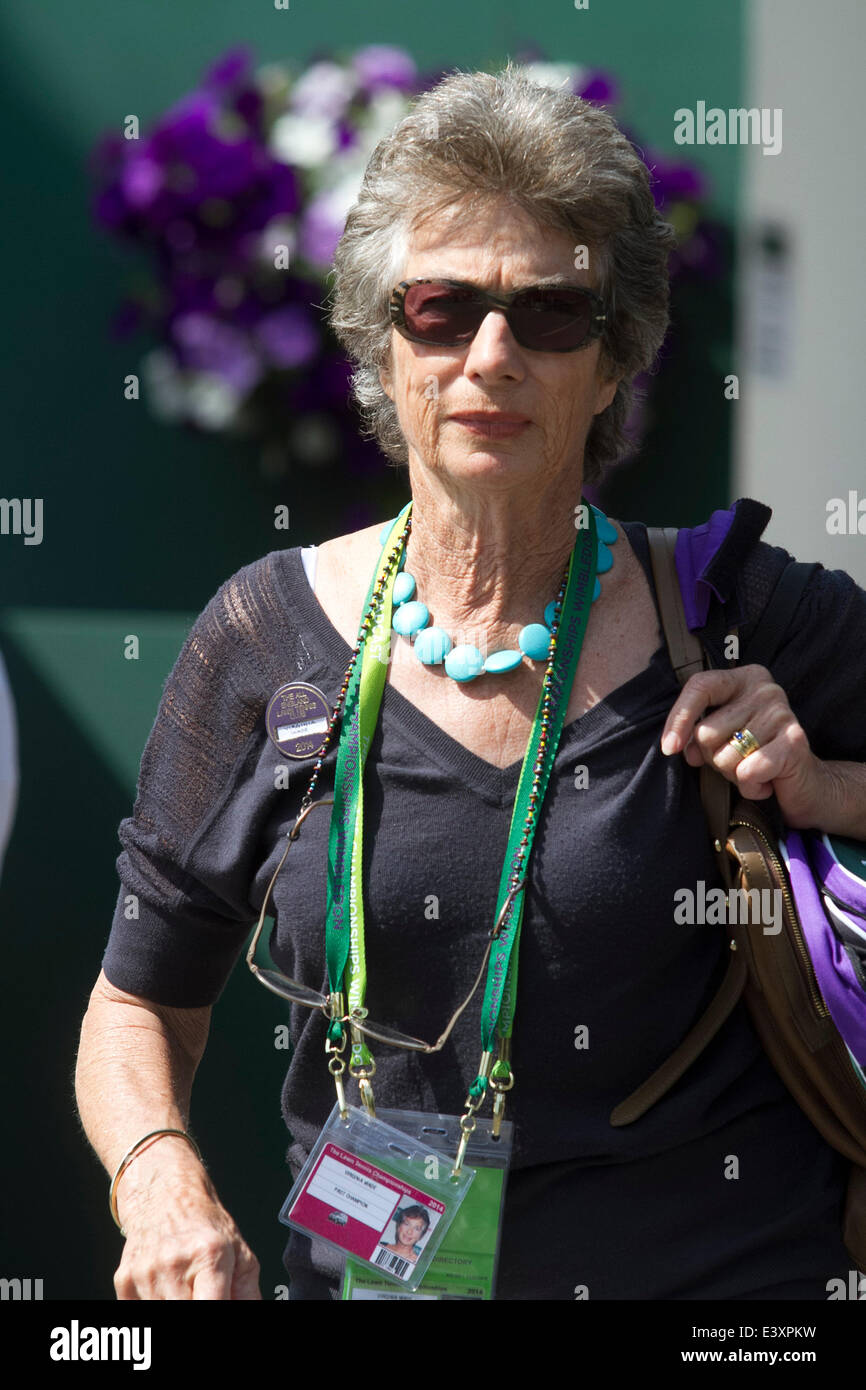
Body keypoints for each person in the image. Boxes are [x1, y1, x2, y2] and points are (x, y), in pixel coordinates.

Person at [75, 64, 866, 1301]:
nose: (489, 353)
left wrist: (822, 784)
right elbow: (135, 1004)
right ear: (382, 350)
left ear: (613, 364)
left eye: (550, 315)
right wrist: (161, 1176)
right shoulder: (262, 635)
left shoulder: (732, 609)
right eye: (440, 309)